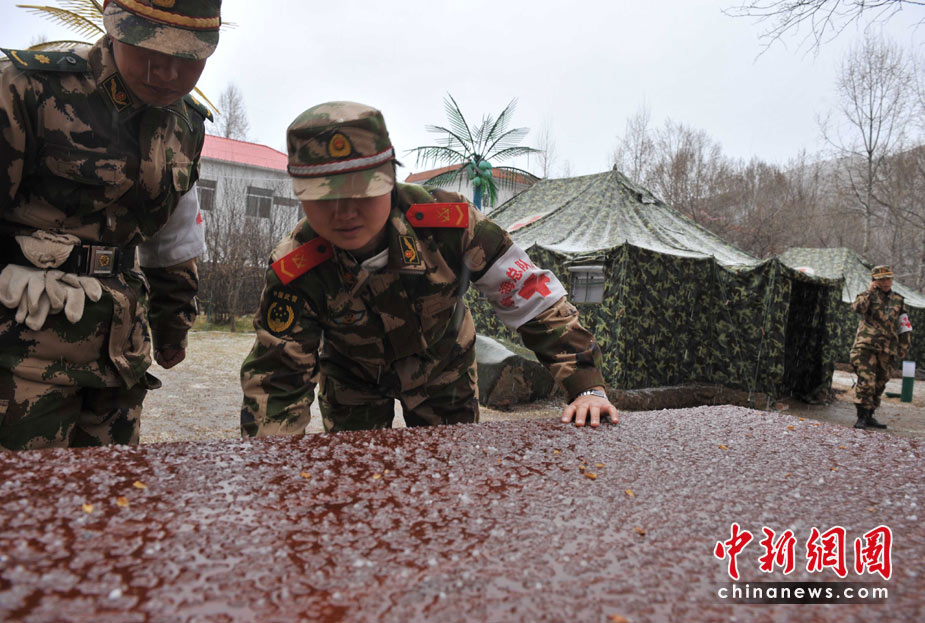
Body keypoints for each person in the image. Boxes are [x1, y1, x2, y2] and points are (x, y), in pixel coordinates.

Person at [241, 102, 617, 436]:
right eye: (324, 197)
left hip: (442, 367)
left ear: (389, 179)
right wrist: (274, 466)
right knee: (357, 472)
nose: (344, 212)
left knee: (449, 469)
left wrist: (586, 386)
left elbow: (532, 298)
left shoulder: (450, 226)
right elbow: (278, 377)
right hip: (353, 376)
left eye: (361, 190)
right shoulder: (297, 267)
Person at [0, 0, 222, 450]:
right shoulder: (29, 90)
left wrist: (172, 324)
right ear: (112, 22)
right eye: (150, 49)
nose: (168, 72)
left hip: (119, 358)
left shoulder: (186, 125)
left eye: (188, 56)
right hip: (21, 356)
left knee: (112, 488)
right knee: (25, 491)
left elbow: (174, 239)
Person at [849, 265, 913, 430]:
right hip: (866, 346)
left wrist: (904, 345)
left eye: (889, 278)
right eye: (882, 279)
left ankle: (870, 415)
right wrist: (869, 292)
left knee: (880, 383)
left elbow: (904, 325)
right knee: (866, 382)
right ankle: (861, 417)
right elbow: (857, 308)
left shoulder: (898, 299)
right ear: (875, 281)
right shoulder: (866, 296)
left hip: (887, 349)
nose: (886, 282)